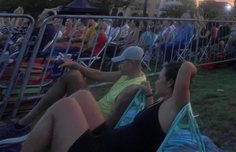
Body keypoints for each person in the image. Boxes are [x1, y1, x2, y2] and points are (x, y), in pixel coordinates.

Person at [21, 61, 197, 152]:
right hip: (108, 138)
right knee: (83, 95)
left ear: (171, 82)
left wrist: (187, 69)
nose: (156, 80)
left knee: (65, 106)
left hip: (102, 149)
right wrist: (149, 95)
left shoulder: (175, 104)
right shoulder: (164, 104)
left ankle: (27, 134)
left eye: (160, 77)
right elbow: (151, 125)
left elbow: (187, 67)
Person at [0, 46, 147, 144]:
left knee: (69, 89)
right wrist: (77, 65)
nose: (118, 65)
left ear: (133, 63)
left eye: (122, 62)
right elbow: (99, 74)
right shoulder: (127, 74)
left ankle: (24, 128)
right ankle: (24, 125)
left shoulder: (134, 86)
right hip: (95, 111)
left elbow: (116, 119)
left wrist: (93, 136)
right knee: (74, 74)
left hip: (97, 123)